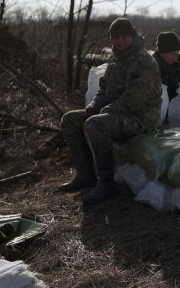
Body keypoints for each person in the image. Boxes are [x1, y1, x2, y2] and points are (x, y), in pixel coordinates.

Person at [59, 18, 162, 203]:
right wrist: (93, 108)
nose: (120, 41)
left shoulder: (143, 61)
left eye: (125, 36)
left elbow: (134, 101)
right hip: (116, 113)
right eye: (116, 37)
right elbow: (103, 90)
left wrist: (104, 111)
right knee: (70, 120)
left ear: (133, 36)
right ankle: (85, 175)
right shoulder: (116, 58)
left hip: (140, 118)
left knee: (95, 124)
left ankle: (106, 183)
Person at [153, 31, 180, 102]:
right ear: (162, 52)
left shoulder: (177, 62)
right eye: (173, 54)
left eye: (177, 54)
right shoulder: (151, 66)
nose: (176, 57)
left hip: (178, 104)